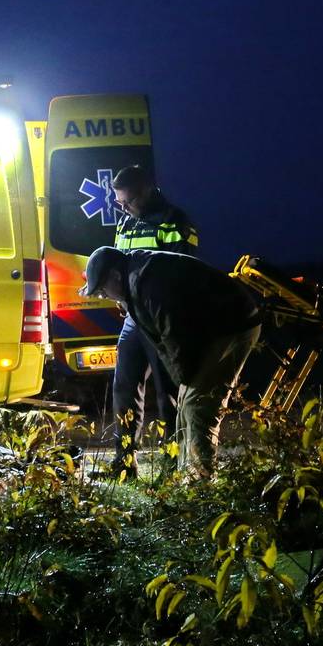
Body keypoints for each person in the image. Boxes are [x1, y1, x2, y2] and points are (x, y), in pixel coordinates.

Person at [80, 247, 261, 481]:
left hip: (233, 325)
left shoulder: (151, 288)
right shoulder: (132, 280)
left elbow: (176, 339)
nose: (104, 296)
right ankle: (187, 476)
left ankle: (199, 484)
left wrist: (184, 379)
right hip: (208, 327)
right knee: (187, 401)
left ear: (116, 275)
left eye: (103, 290)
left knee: (197, 403)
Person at [106, 165, 200, 478]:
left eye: (128, 201)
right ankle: (123, 463)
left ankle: (171, 466)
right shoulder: (125, 221)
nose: (123, 207)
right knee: (123, 388)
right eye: (119, 202)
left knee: (167, 395)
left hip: (162, 322)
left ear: (147, 190)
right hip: (134, 319)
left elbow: (184, 272)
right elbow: (119, 264)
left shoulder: (175, 221)